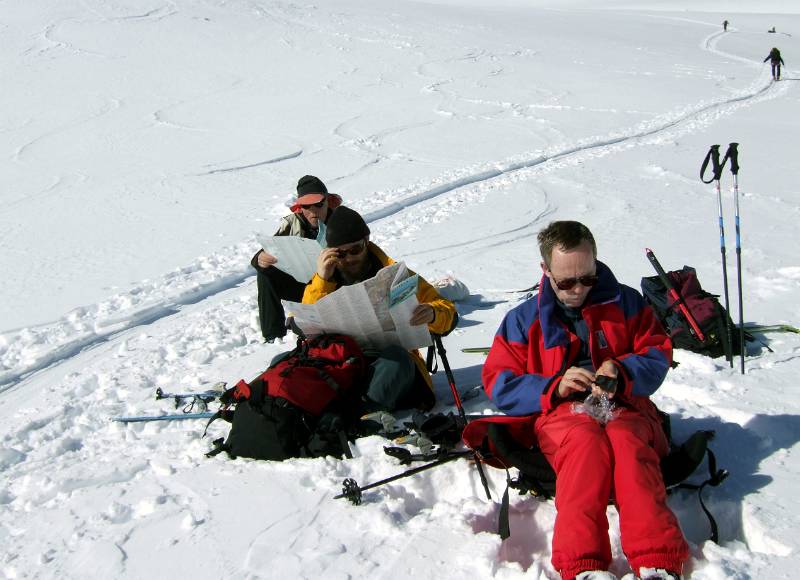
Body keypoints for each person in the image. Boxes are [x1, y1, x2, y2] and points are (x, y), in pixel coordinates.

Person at [477, 221, 688, 580]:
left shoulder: (627, 303)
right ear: (545, 270)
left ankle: (658, 560)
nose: (578, 290)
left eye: (587, 278)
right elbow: (498, 381)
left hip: (625, 406)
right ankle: (584, 565)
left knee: (626, 440)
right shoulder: (522, 320)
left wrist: (622, 370)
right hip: (562, 415)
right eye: (567, 282)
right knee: (585, 441)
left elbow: (657, 351)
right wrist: (553, 386)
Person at [302, 205, 457, 413]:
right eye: (340, 253)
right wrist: (322, 280)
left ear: (366, 241)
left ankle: (361, 416)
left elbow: (448, 311)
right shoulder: (325, 278)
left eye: (355, 250)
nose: (348, 258)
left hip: (394, 366)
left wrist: (433, 313)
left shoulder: (394, 274)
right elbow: (305, 320)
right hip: (347, 364)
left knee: (396, 359)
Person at [251, 175, 342, 341]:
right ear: (300, 207)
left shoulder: (341, 220)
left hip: (335, 286)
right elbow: (270, 248)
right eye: (307, 206)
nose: (313, 211)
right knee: (265, 274)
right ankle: (273, 336)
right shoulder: (293, 223)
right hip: (304, 284)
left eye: (318, 204)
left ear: (328, 201)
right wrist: (260, 259)